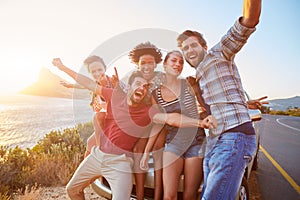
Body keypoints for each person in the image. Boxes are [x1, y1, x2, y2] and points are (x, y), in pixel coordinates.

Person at [176, 0, 265, 199]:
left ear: (204, 46)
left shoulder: (219, 54)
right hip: (214, 143)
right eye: (185, 49)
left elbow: (249, 20)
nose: (189, 51)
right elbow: (211, 108)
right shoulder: (197, 79)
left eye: (193, 45)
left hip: (234, 138)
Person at [140, 50, 211, 200]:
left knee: (189, 195)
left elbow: (209, 105)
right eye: (173, 61)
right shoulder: (156, 94)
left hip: (196, 141)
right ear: (165, 64)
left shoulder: (190, 84)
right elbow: (158, 123)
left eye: (180, 62)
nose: (177, 64)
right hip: (173, 143)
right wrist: (147, 152)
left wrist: (245, 104)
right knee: (169, 196)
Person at [127, 41, 167, 200]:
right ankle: (140, 196)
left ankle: (157, 196)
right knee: (138, 150)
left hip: (160, 121)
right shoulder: (134, 78)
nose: (147, 66)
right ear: (137, 64)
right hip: (143, 122)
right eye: (143, 63)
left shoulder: (163, 78)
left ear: (156, 63)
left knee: (158, 149)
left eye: (150, 62)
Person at [53, 56, 114, 158]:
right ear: (90, 73)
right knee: (90, 143)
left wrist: (63, 68)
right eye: (93, 71)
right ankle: (85, 171)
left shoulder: (113, 82)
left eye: (100, 70)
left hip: (117, 122)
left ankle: (101, 154)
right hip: (107, 121)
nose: (97, 73)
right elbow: (84, 84)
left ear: (105, 68)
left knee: (98, 117)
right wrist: (72, 85)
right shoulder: (95, 84)